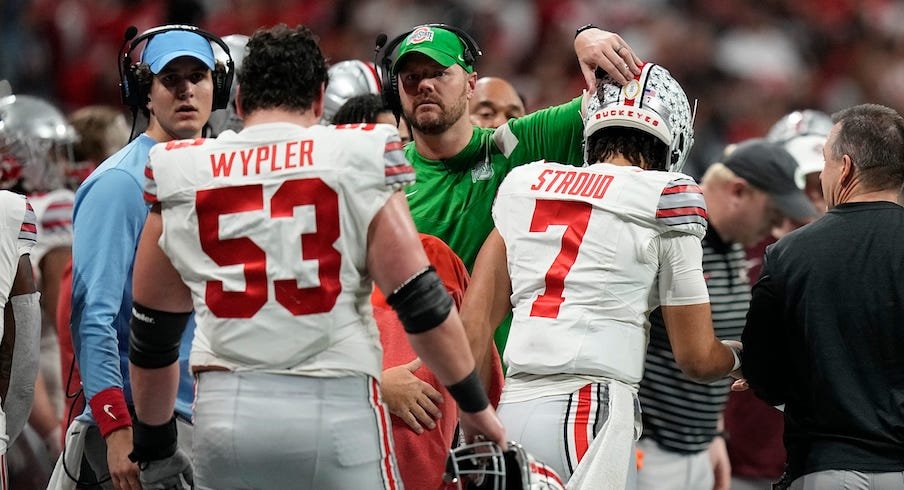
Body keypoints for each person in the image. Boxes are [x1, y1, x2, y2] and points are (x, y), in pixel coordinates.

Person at [126, 24, 504, 489]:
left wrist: (156, 446)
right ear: (320, 99)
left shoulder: (180, 166)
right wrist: (473, 405)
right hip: (334, 406)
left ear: (239, 102)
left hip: (226, 412)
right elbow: (420, 302)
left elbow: (152, 334)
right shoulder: (362, 151)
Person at [461, 63, 743, 488]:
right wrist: (742, 356)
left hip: (511, 409)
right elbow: (697, 358)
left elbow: (474, 324)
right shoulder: (669, 197)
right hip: (589, 411)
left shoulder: (526, 182)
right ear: (675, 134)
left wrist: (471, 412)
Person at [386, 23, 641, 357]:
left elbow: (634, 99)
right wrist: (381, 379)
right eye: (411, 77)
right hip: (412, 386)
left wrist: (586, 36)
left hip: (504, 386)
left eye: (439, 73)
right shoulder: (382, 177)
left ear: (470, 85)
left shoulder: (516, 146)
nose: (424, 85)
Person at [54, 25, 229, 490]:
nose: (187, 89)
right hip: (143, 427)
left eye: (199, 76)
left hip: (205, 417)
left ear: (220, 87)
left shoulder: (220, 171)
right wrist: (115, 428)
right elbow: (93, 314)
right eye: (171, 79)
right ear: (144, 93)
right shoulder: (120, 184)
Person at [636, 138, 819, 490]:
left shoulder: (733, 244)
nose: (775, 225)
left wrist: (714, 432)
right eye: (772, 212)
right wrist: (746, 361)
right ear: (738, 191)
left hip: (697, 445)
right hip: (649, 443)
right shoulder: (674, 233)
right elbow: (699, 357)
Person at [741, 103, 904, 490]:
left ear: (845, 167)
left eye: (826, 162)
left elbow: (766, 377)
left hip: (827, 469)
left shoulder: (789, 254)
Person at [724, 109, 833, 490]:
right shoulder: (733, 250)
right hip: (737, 458)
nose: (814, 196)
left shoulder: (850, 255)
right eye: (802, 181)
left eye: (821, 181)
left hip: (826, 463)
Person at [0, 92, 78, 483]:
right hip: (50, 384)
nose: (64, 164)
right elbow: (65, 321)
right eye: (52, 152)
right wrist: (54, 428)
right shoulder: (54, 206)